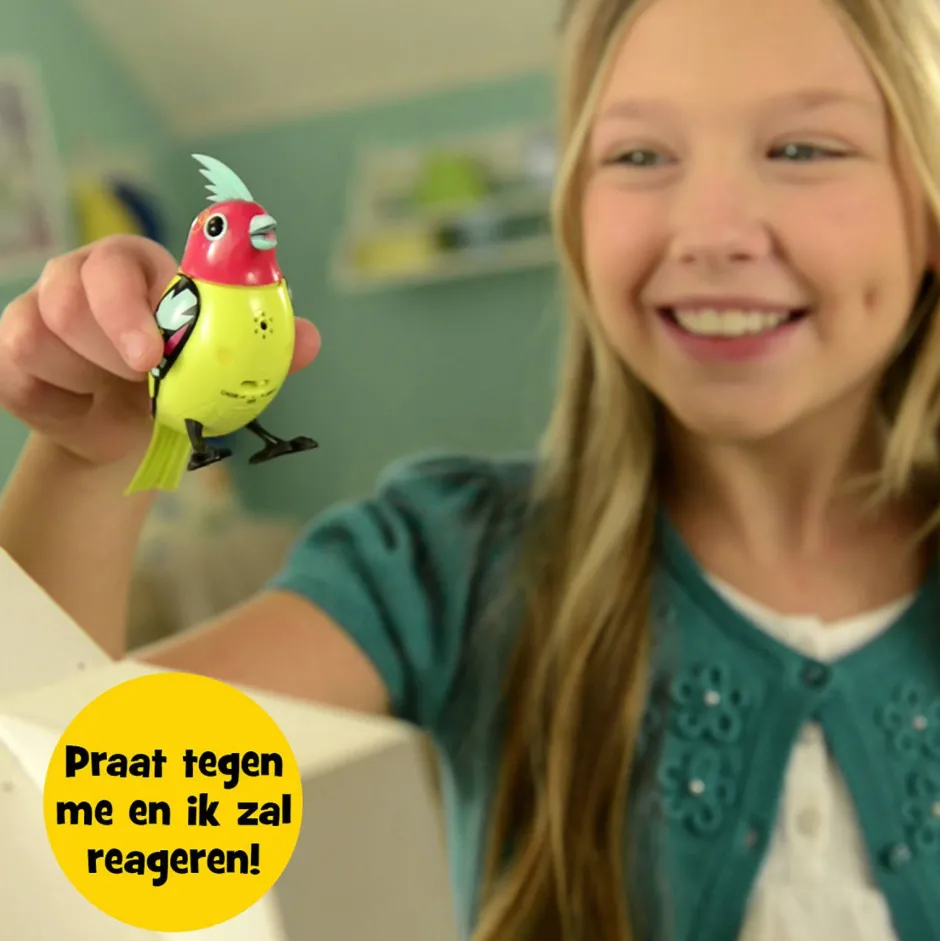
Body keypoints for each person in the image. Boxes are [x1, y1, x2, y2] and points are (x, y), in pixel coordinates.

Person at [1, 0, 939, 937]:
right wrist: (89, 462)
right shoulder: (449, 560)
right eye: (639, 155)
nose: (709, 230)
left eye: (804, 149)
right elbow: (50, 816)